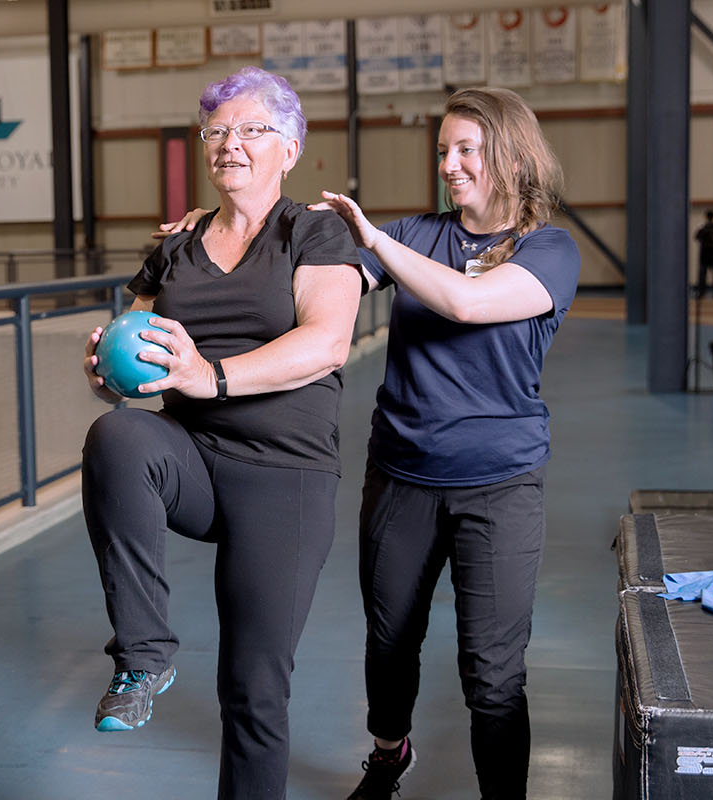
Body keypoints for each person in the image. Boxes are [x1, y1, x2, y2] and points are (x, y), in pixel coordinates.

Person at [164, 85, 580, 799]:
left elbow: (467, 302)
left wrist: (374, 238)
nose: (449, 164)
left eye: (466, 151)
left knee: (492, 671)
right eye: (442, 150)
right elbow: (313, 279)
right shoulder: (418, 233)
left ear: (509, 156)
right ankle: (389, 754)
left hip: (500, 484)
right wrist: (224, 229)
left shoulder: (551, 250)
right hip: (402, 474)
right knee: (389, 643)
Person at [80, 65, 362, 799]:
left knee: (253, 687)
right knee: (117, 437)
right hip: (194, 463)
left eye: (249, 130)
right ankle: (143, 656)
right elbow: (134, 345)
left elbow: (327, 342)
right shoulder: (175, 247)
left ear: (290, 148)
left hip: (286, 478)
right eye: (216, 131)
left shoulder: (314, 232)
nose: (229, 144)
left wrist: (215, 376)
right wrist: (107, 370)